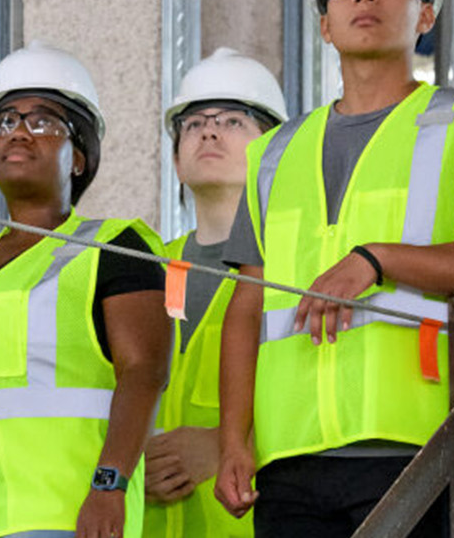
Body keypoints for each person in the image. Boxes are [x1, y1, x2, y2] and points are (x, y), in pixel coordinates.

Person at [213, 0, 454, 537]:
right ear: (326, 23)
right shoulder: (275, 153)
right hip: (291, 456)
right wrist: (234, 439)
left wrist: (376, 259)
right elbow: (247, 303)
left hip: (420, 444)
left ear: (424, 14)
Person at [0, 42, 172, 538]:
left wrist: (109, 486)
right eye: (4, 121)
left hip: (62, 521)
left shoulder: (113, 248)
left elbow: (145, 370)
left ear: (78, 158)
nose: (19, 131)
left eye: (44, 121)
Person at [142, 48, 286, 538]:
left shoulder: (301, 273)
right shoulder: (143, 269)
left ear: (274, 152)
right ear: (177, 162)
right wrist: (129, 465)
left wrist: (230, 444)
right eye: (193, 123)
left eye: (233, 120)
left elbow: (327, 405)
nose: (208, 131)